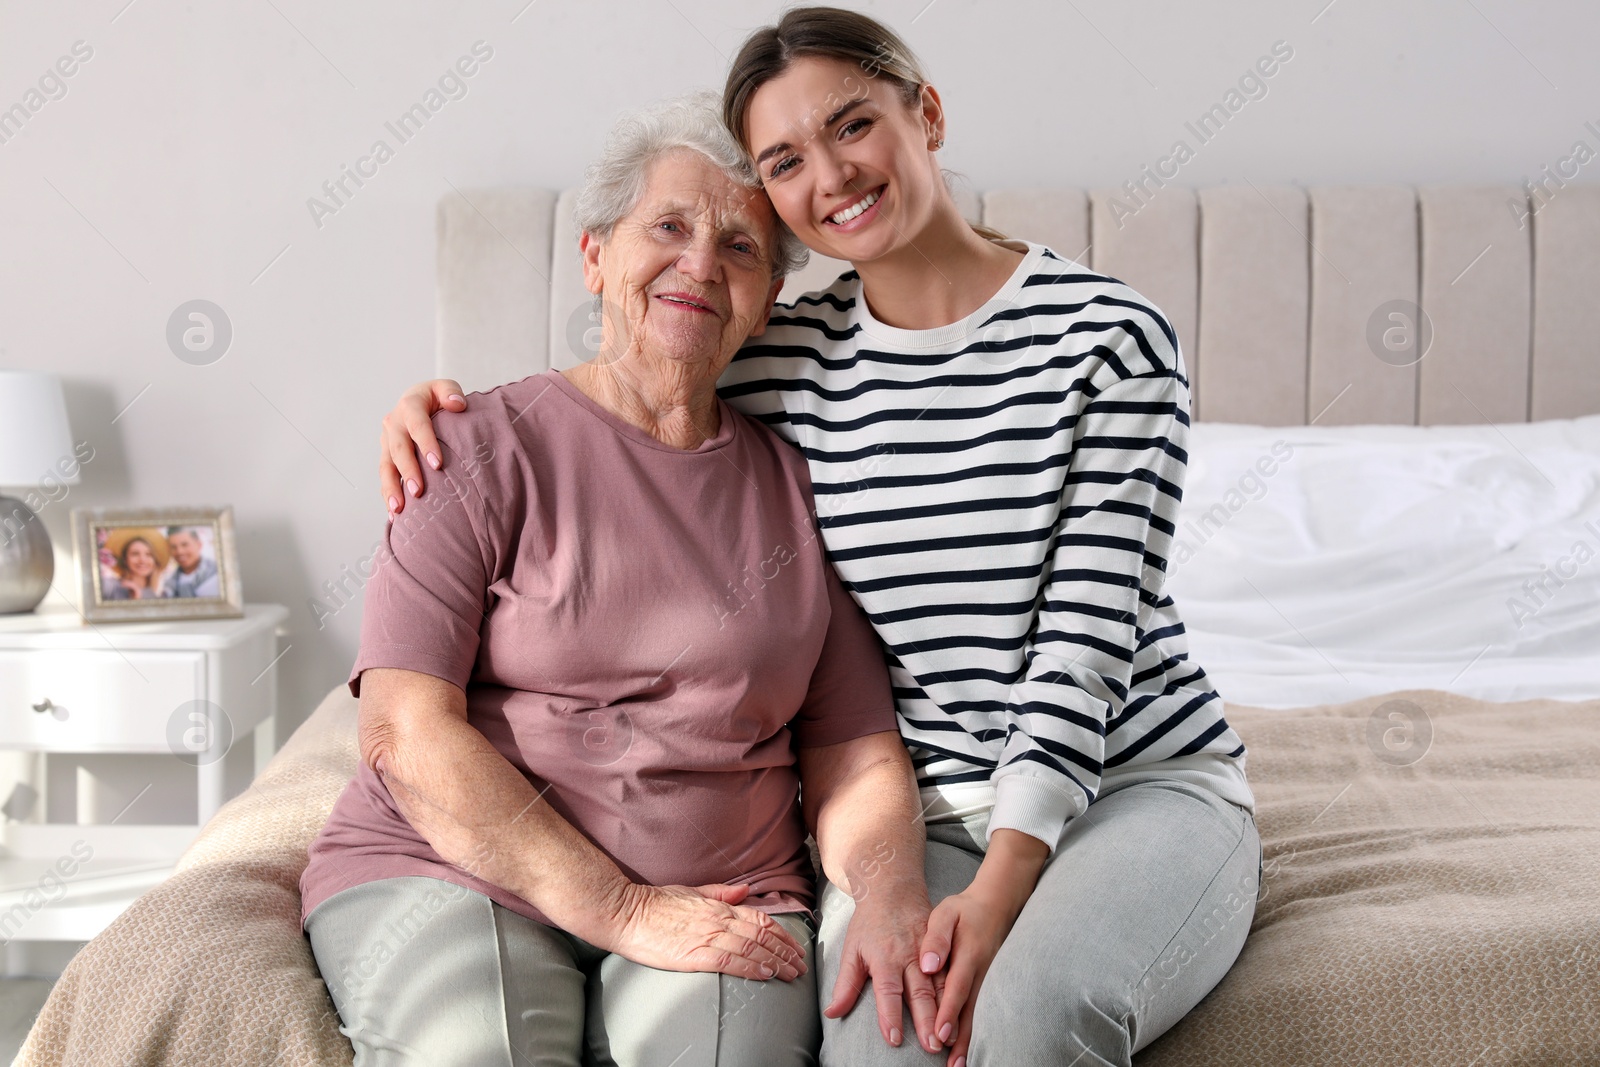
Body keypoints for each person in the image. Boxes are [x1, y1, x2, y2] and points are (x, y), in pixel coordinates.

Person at [375, 9, 1262, 1066]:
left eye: (853, 125)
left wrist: (996, 894)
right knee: (874, 1046)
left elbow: (1083, 644)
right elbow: (618, 396)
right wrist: (441, 414)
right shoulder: (777, 355)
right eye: (785, 159)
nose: (831, 175)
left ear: (924, 113)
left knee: (1020, 1017)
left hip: (1126, 783)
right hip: (920, 813)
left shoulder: (1106, 340)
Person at [301, 92, 928, 1067]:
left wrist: (889, 894)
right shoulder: (469, 446)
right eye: (669, 227)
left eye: (739, 247)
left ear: (765, 301)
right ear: (596, 256)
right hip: (452, 868)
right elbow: (403, 731)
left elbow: (854, 753)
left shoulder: (806, 485)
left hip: (725, 892)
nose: (699, 264)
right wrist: (622, 908)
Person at [99, 528, 168, 600]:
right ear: (125, 559)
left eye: (149, 554)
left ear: (155, 561)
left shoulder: (159, 596)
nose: (142, 560)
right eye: (135, 554)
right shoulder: (110, 587)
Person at [161, 526, 219, 598]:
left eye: (184, 545)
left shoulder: (217, 573)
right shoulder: (169, 584)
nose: (179, 552)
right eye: (173, 547)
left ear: (199, 545)